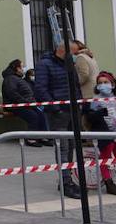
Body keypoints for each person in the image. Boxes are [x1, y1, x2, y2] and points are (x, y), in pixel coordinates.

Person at [34, 41, 83, 200]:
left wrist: (80, 103)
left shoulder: (69, 64)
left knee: (70, 147)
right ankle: (65, 183)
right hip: (58, 112)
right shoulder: (45, 64)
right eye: (74, 53)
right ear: (63, 51)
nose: (76, 56)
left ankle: (67, 179)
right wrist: (55, 107)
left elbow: (76, 86)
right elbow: (41, 88)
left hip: (73, 110)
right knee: (62, 147)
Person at [0, 59, 50, 147]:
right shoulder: (10, 79)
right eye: (21, 67)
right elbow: (12, 93)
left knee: (41, 114)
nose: (23, 70)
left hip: (26, 104)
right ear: (16, 68)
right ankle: (30, 139)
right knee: (33, 116)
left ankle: (42, 137)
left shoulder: (16, 78)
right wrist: (25, 102)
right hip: (16, 105)